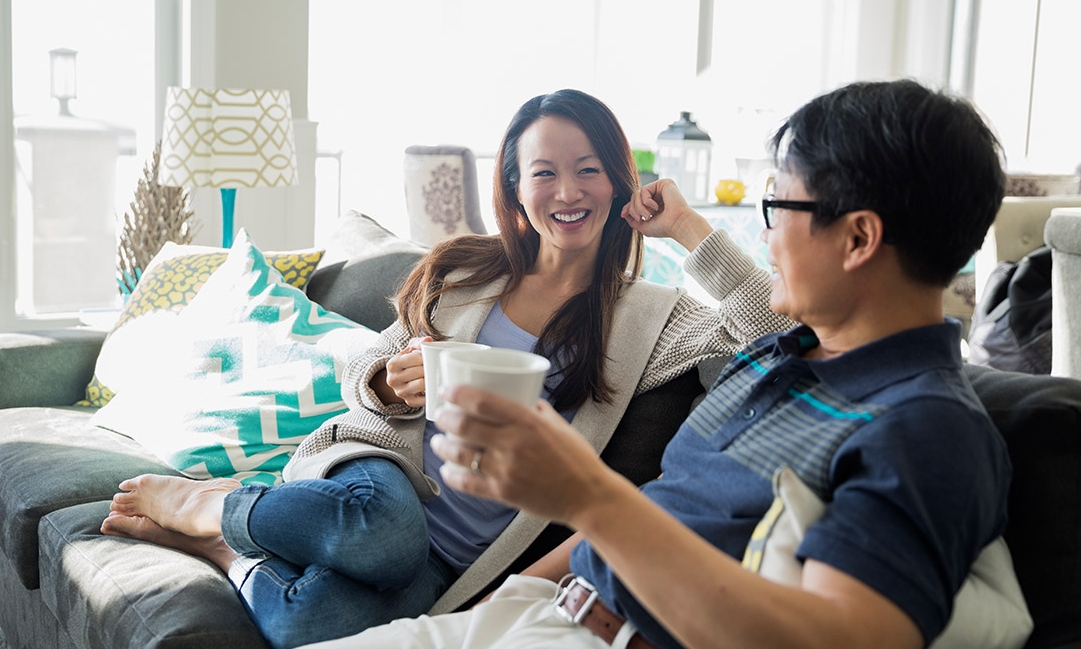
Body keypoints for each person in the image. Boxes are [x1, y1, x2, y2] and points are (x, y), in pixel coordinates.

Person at [305, 79, 1013, 649]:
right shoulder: (781, 359)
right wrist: (486, 609)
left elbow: (843, 635)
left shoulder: (924, 428)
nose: (766, 235)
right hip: (538, 606)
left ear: (857, 236)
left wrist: (585, 492)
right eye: (544, 172)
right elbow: (659, 503)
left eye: (777, 205)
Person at [101, 88, 793, 648]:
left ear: (618, 180)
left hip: (459, 555)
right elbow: (363, 370)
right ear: (516, 187)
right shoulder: (468, 269)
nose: (567, 189)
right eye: (544, 171)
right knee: (382, 529)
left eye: (588, 167)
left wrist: (689, 229)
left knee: (313, 625)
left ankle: (231, 551)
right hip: (383, 476)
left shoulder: (654, 317)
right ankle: (211, 502)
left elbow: (784, 332)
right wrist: (388, 381)